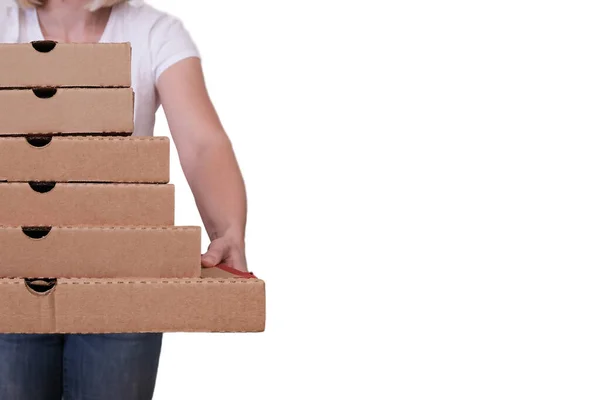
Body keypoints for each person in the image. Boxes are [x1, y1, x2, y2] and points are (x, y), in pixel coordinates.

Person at [0, 0, 249, 398]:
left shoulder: (154, 32)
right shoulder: (4, 24)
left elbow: (202, 144)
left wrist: (228, 231)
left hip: (122, 275)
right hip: (10, 271)